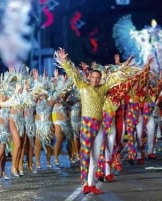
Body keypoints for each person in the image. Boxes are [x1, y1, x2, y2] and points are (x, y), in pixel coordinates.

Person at [54, 48, 128, 195]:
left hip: (99, 126)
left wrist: (122, 68)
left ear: (100, 79)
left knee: (95, 156)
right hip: (87, 125)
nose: (95, 79)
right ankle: (85, 184)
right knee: (85, 155)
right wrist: (64, 60)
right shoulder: (83, 86)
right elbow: (73, 73)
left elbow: (115, 79)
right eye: (93, 77)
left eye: (97, 78)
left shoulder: (103, 88)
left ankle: (91, 184)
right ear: (89, 77)